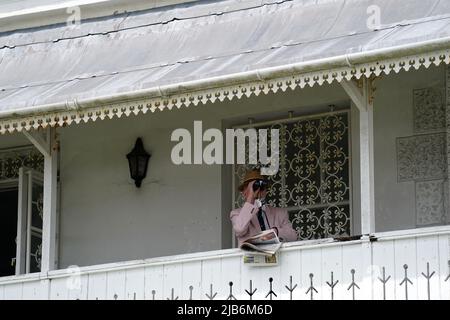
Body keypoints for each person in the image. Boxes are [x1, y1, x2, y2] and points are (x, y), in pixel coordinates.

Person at [230, 169, 298, 247]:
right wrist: (250, 198)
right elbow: (239, 229)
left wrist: (276, 231)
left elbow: (293, 236)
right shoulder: (236, 213)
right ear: (244, 192)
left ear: (266, 191)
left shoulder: (280, 213)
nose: (258, 191)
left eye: (261, 187)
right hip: (252, 257)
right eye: (254, 187)